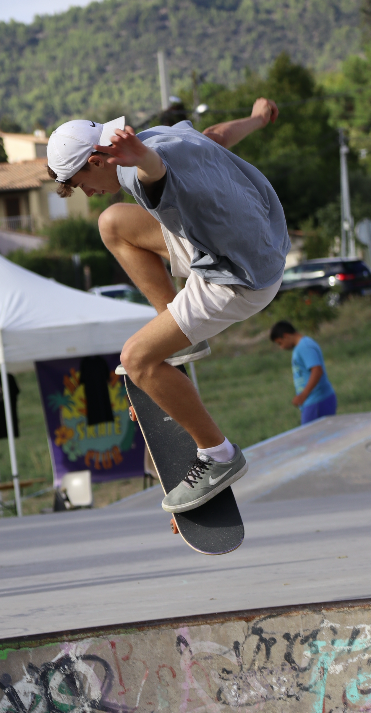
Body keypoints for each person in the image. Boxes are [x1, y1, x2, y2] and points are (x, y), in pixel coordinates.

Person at [46, 100, 289, 513]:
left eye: (80, 182)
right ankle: (175, 333)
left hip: (238, 278)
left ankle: (219, 456)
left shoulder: (138, 169)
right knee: (113, 223)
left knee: (136, 360)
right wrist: (257, 118)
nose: (86, 192)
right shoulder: (163, 133)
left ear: (97, 159)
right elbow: (215, 136)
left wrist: (140, 159)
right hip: (252, 239)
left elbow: (154, 174)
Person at [270, 320, 337, 425]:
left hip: (317, 400)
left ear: (286, 335)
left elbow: (317, 370)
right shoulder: (302, 346)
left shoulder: (304, 346)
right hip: (312, 401)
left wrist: (303, 395)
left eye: (280, 343)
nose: (281, 347)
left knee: (311, 439)